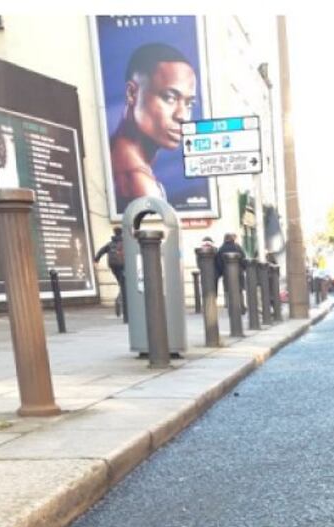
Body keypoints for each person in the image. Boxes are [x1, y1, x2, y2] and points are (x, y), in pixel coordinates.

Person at [110, 43, 197, 210]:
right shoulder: (139, 184)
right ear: (132, 93)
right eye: (170, 98)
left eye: (189, 104)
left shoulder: (119, 159)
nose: (183, 116)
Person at [94, 227, 127, 321]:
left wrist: (96, 260)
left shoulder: (110, 244)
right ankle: (120, 301)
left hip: (113, 266)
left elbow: (101, 251)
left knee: (122, 284)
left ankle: (120, 301)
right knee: (125, 285)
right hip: (123, 265)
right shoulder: (125, 243)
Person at [216, 233, 247, 313]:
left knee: (229, 291)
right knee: (239, 291)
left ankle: (232, 310)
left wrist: (222, 272)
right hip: (238, 272)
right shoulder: (238, 247)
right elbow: (243, 259)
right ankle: (242, 307)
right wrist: (243, 269)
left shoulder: (221, 249)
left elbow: (218, 263)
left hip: (227, 273)